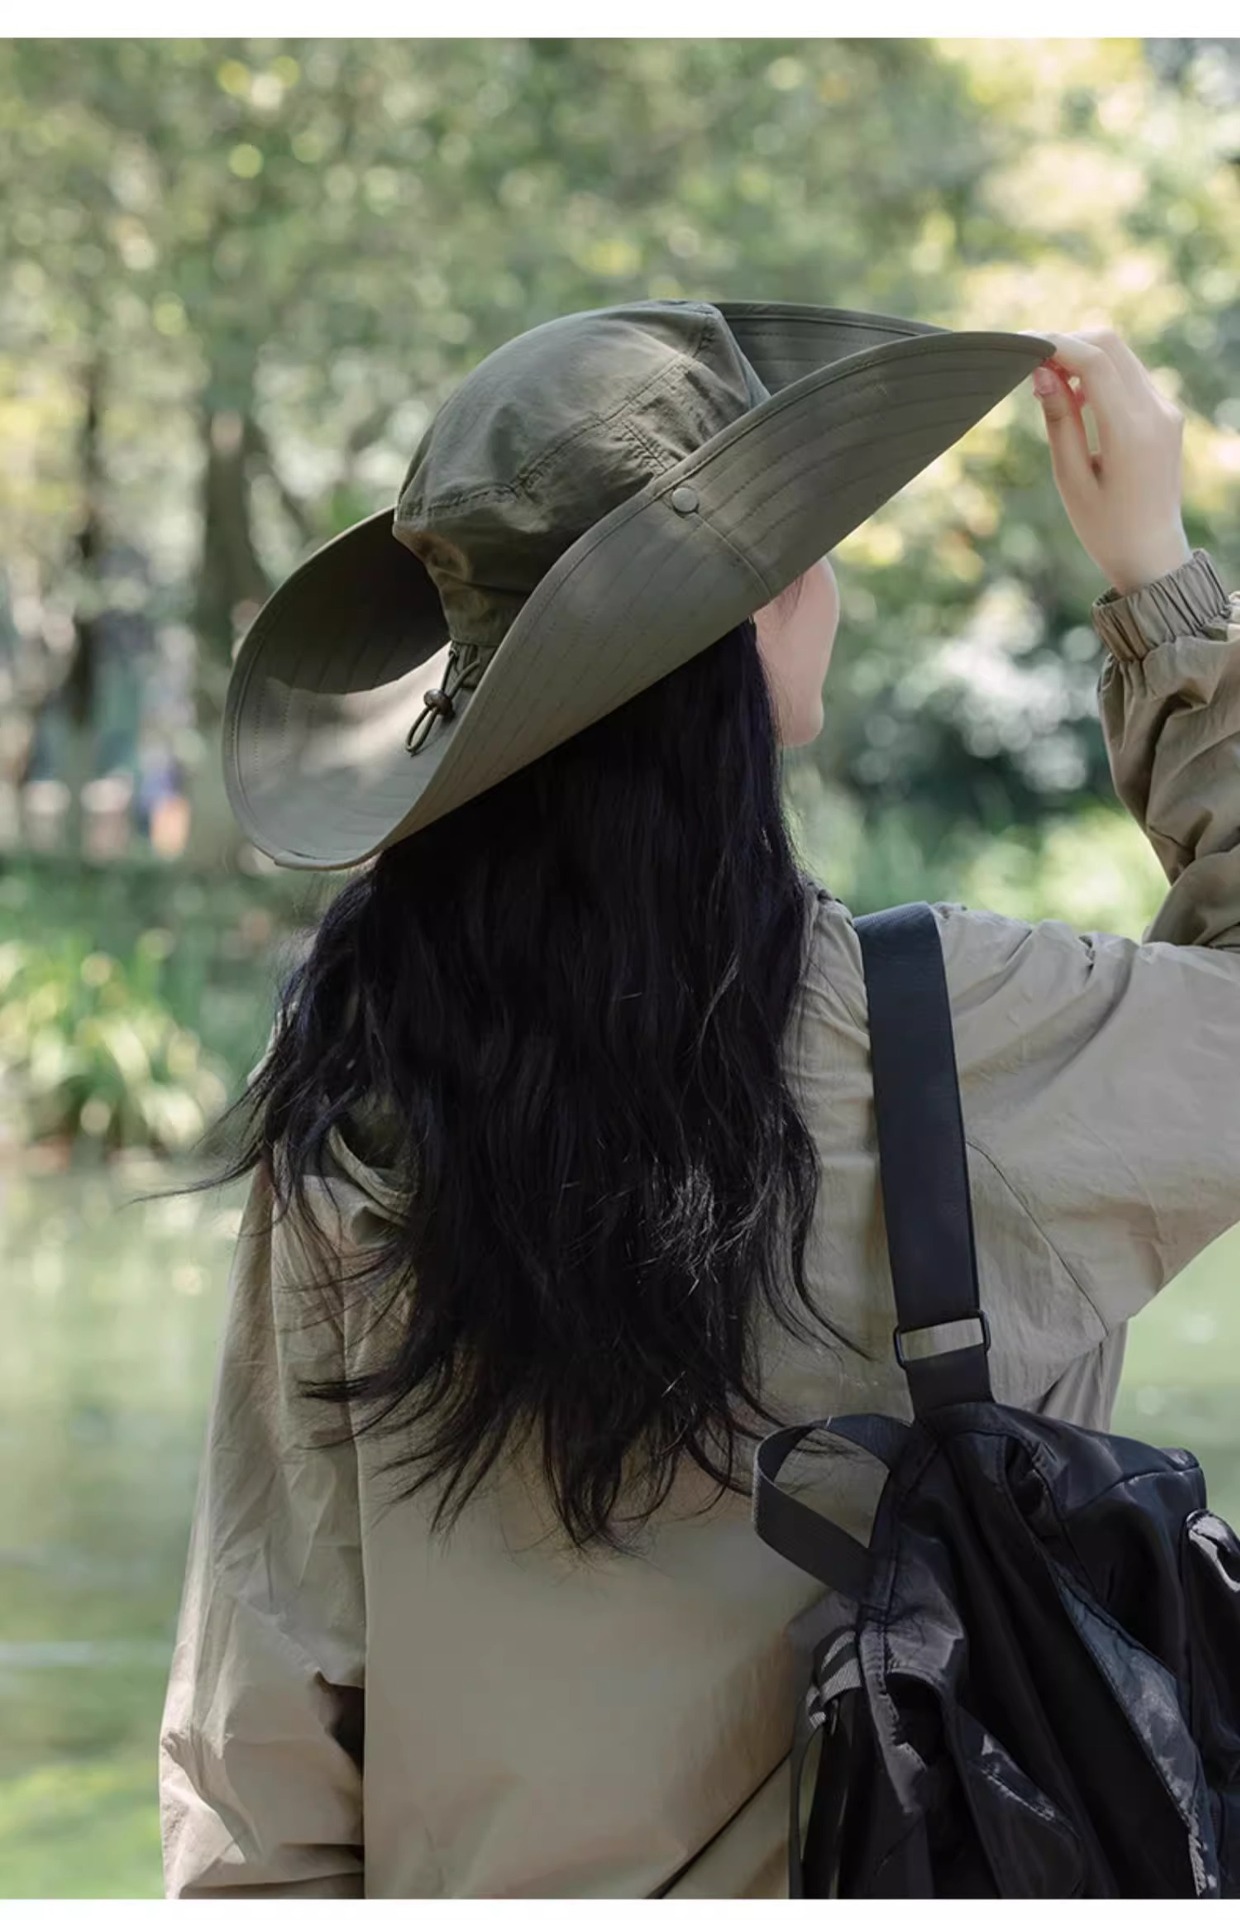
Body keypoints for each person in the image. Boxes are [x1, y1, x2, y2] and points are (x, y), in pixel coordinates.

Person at [155, 303, 1240, 1898]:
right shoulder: (954, 1044)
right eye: (800, 543)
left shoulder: (362, 1087)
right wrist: (1159, 587)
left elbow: (264, 1750)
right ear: (752, 627)